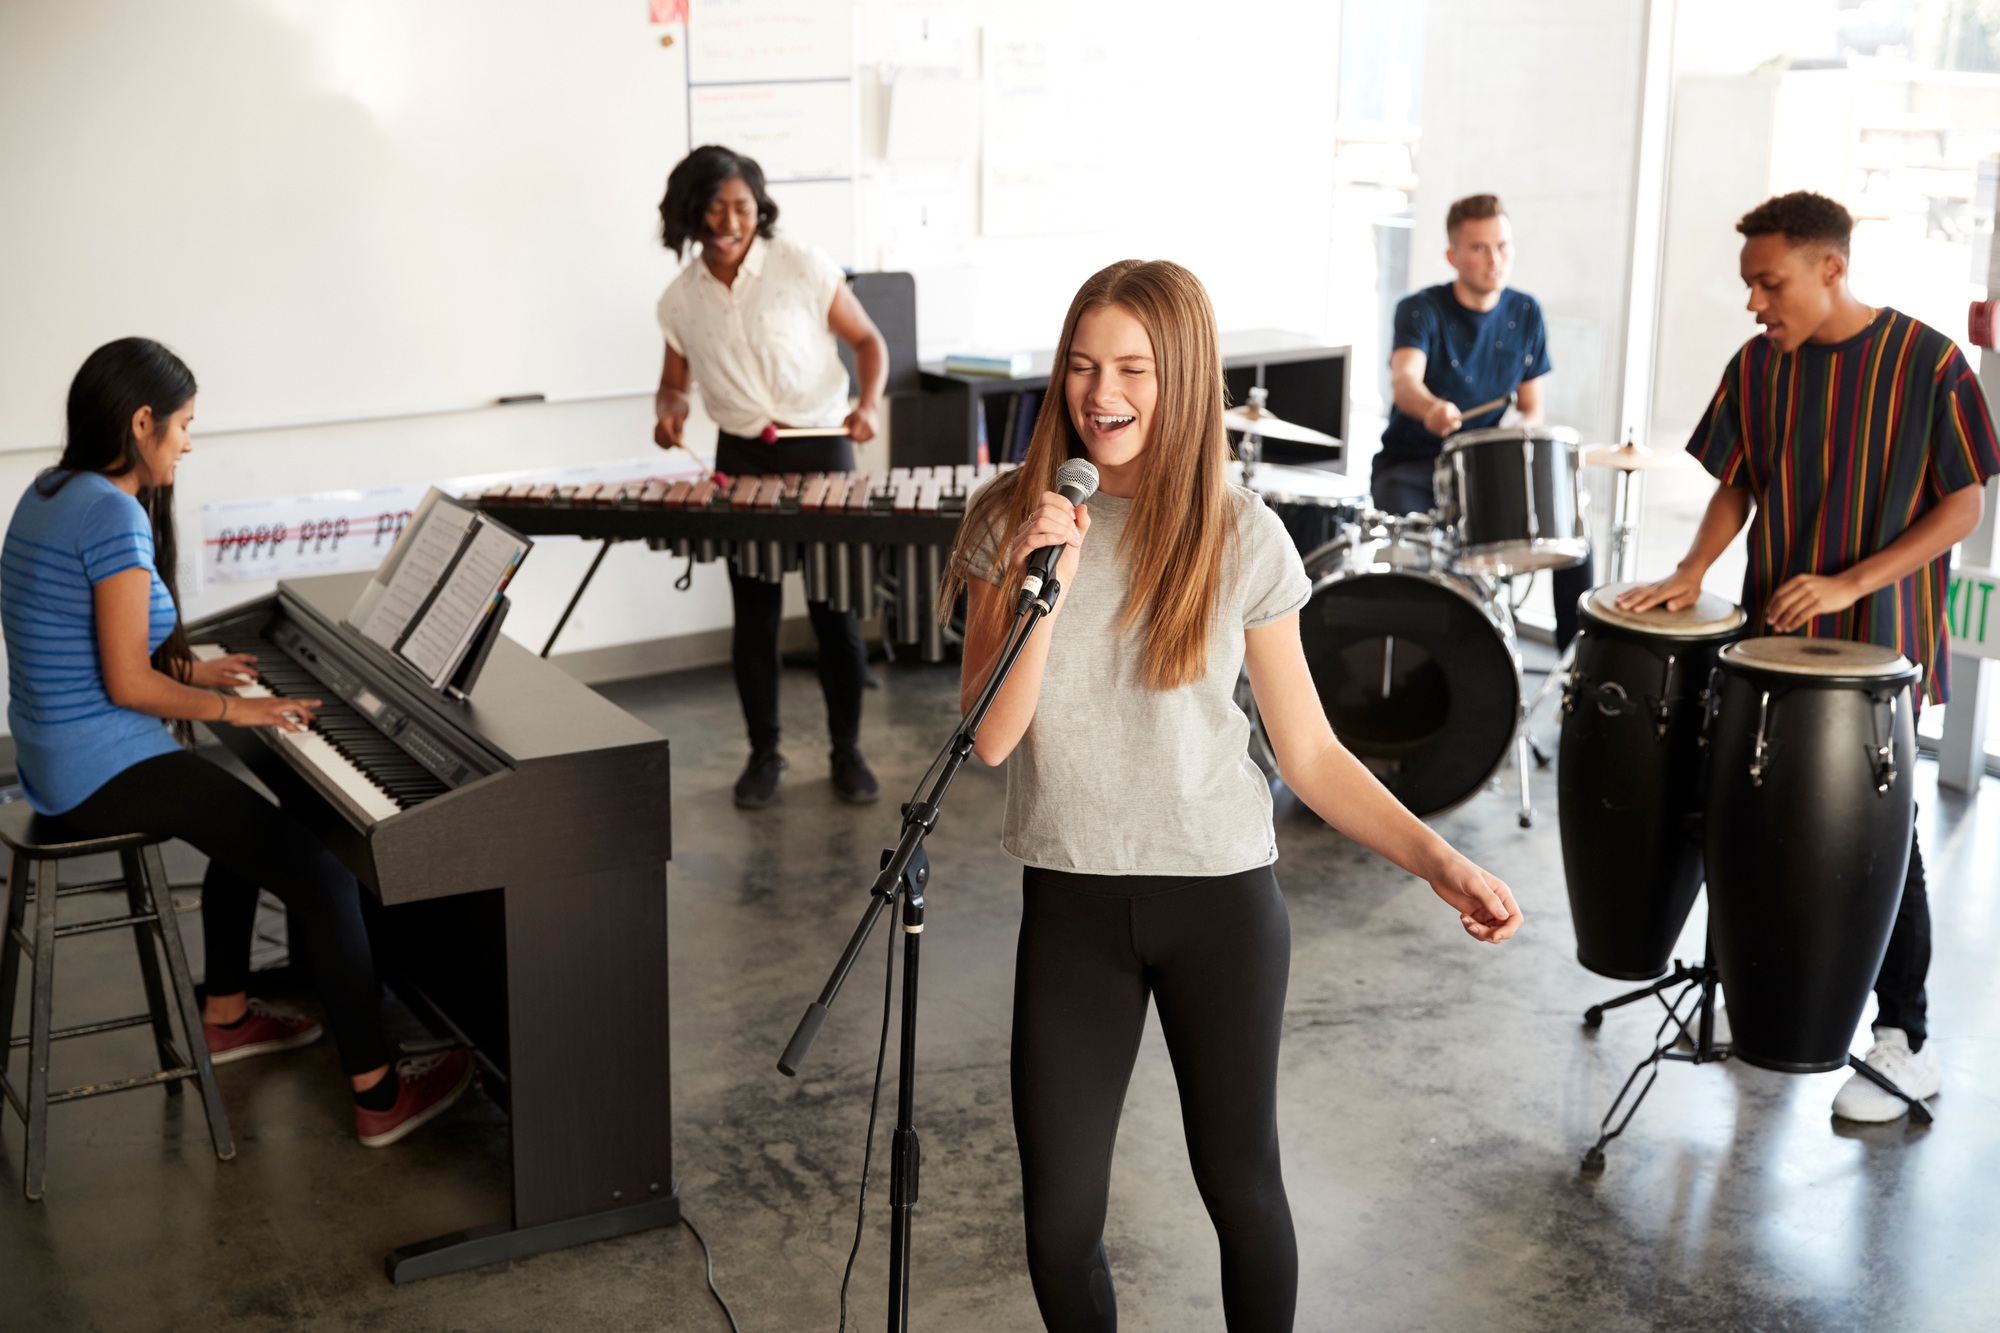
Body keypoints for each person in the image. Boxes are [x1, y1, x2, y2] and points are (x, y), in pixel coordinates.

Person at [944, 261, 1524, 1332]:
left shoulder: (1239, 532)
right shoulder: (1008, 520)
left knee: (1241, 1190)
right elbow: (989, 738)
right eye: (1080, 365)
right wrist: (1048, 582)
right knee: (1058, 1227)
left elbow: (1306, 752)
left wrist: (1441, 863)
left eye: (1130, 368)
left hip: (1218, 900)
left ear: (1185, 378)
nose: (1098, 391)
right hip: (1071, 904)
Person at [1, 338, 473, 1147]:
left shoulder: (49, 491)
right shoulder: (112, 510)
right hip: (99, 763)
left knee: (251, 826)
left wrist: (196, 674)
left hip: (50, 753)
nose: (189, 440)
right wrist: (237, 713)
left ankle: (225, 1014)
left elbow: (82, 637)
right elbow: (126, 684)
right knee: (322, 873)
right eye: (184, 423)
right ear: (141, 421)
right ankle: (379, 1092)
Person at [1621, 191, 1999, 1122]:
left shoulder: (1928, 362)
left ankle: (1904, 1040)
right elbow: (1737, 484)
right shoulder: (1757, 367)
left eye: (1769, 281)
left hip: (1879, 651)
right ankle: (1763, 1005)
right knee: (1750, 821)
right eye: (1750, 283)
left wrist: (1848, 580)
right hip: (1766, 646)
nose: (1755, 302)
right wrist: (1690, 568)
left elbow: (1965, 505)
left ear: (1831, 267)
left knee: (1883, 843)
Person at [653, 144, 890, 809]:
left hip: (821, 450)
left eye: (744, 207)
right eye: (717, 207)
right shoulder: (679, 301)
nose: (731, 221)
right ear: (690, 212)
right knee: (754, 618)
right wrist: (668, 415)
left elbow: (869, 342)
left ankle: (848, 752)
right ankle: (765, 755)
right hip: (743, 459)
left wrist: (867, 404)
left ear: (760, 211)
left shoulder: (803, 266)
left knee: (833, 614)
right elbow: (673, 387)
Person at [1373, 193, 1595, 647]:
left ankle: (1576, 664)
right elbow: (1404, 382)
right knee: (1411, 536)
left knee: (1572, 536)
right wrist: (1431, 408)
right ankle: (1414, 649)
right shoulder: (1420, 309)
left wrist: (1519, 430)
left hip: (1488, 471)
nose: (1495, 259)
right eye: (1479, 248)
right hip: (1414, 465)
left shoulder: (1526, 311)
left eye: (1503, 246)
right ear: (1453, 255)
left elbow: (1532, 406)